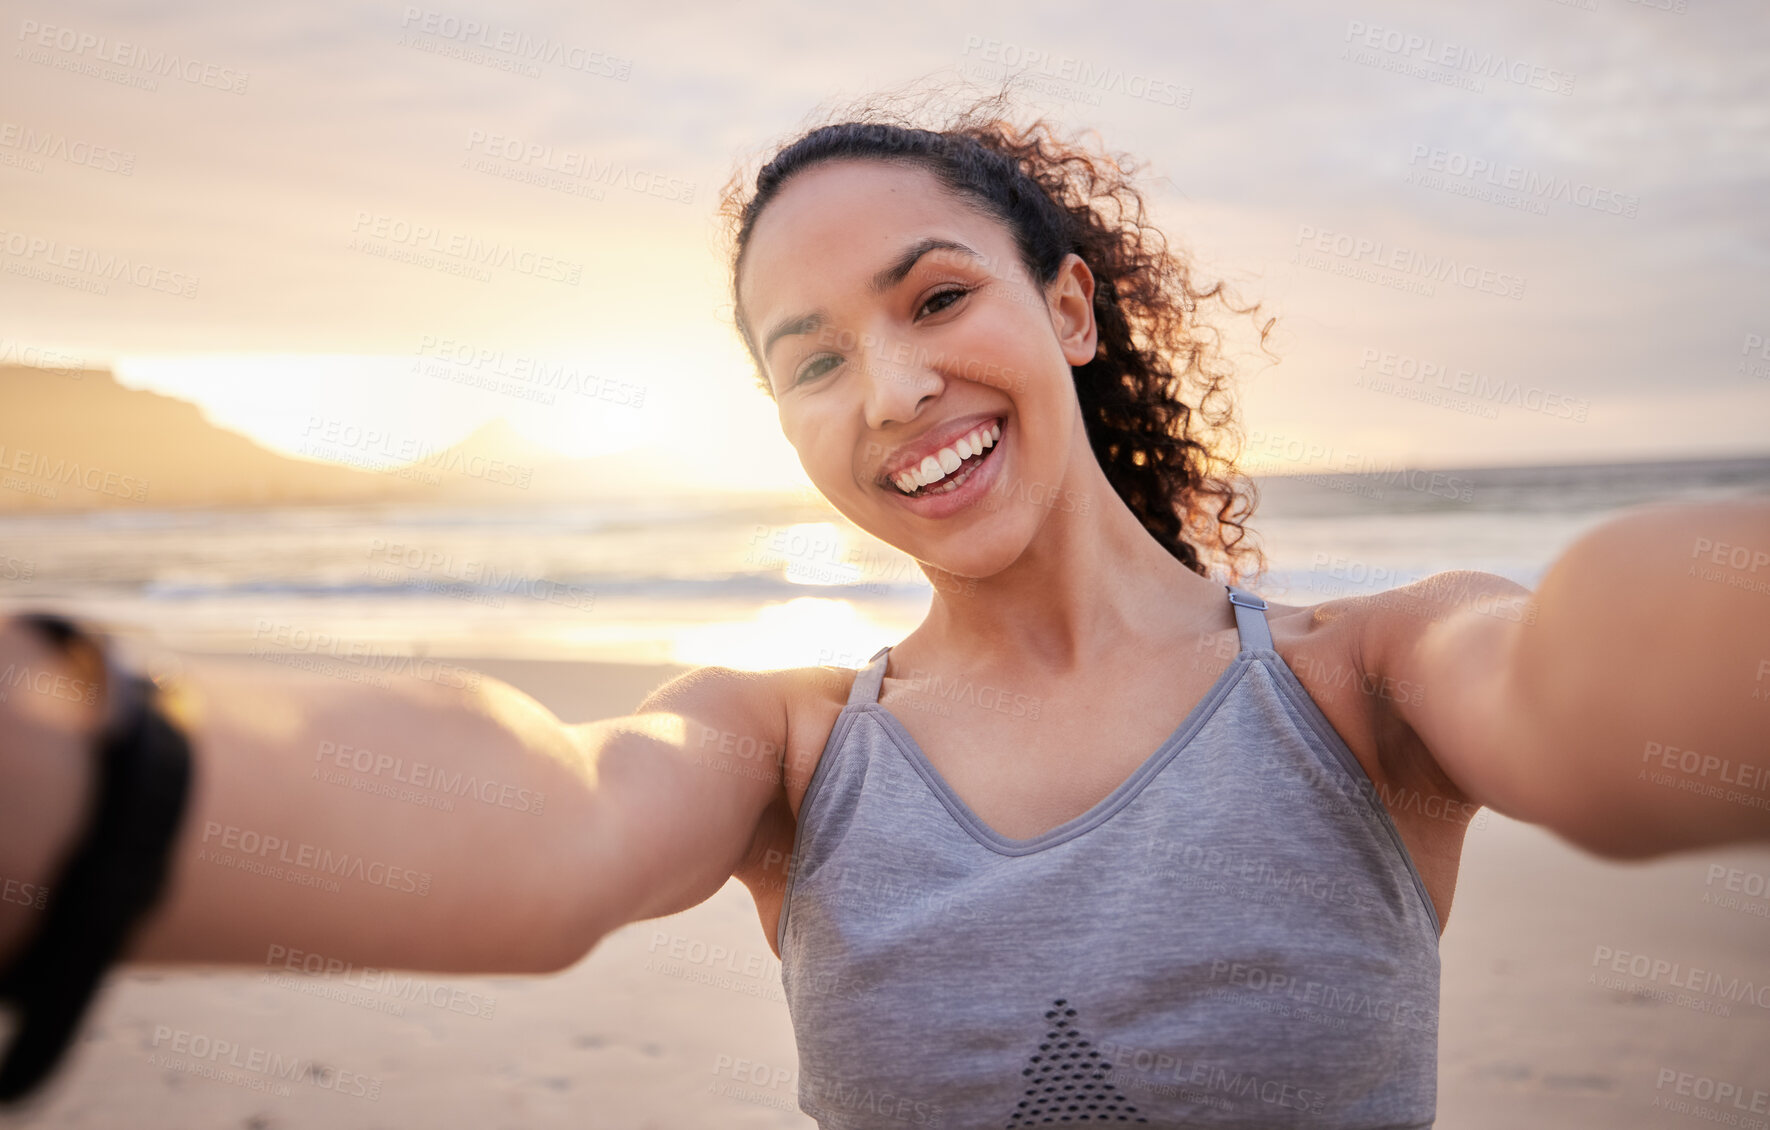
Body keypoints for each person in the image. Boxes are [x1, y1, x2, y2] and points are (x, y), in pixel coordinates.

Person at [2, 83, 1766, 1127]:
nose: (895, 386)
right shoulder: (784, 744)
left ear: (1069, 311)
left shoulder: (1365, 677)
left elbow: (1584, 679)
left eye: (934, 297)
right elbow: (542, 817)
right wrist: (75, 768)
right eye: (811, 359)